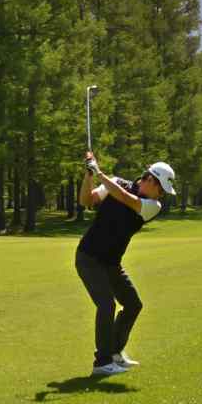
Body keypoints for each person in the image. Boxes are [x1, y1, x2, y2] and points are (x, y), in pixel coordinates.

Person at [75, 151, 177, 377]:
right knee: (106, 305)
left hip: (111, 263)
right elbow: (86, 201)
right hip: (89, 258)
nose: (162, 195)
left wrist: (99, 172)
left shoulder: (153, 206)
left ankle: (114, 353)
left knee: (133, 304)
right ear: (150, 179)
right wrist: (89, 175)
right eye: (161, 189)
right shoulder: (117, 182)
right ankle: (102, 363)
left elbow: (124, 197)